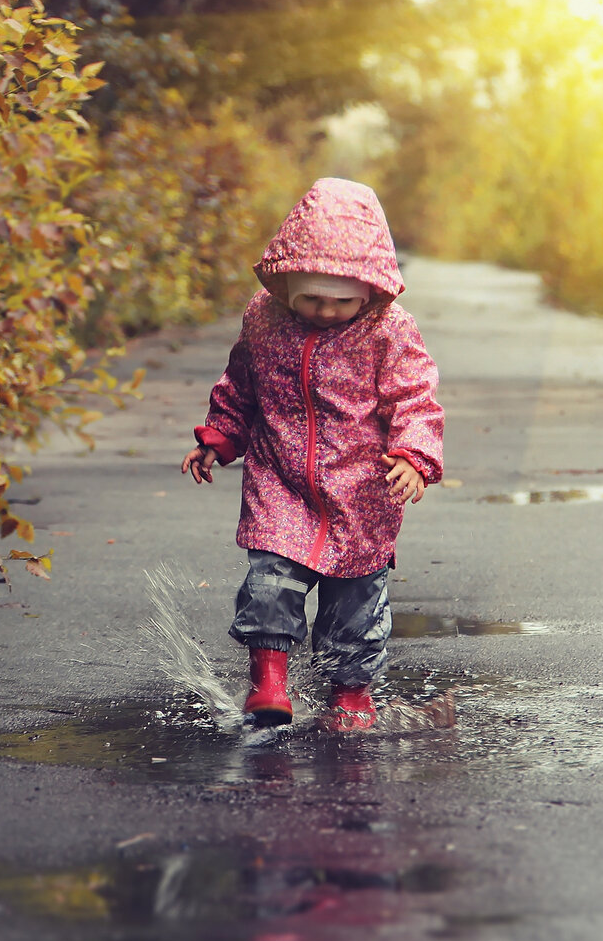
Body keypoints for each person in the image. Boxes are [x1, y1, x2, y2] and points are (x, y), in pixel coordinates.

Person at [182, 177, 444, 731]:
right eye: (312, 299)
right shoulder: (264, 319)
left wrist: (414, 455)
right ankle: (268, 679)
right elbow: (240, 383)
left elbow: (415, 398)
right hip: (280, 480)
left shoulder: (387, 331)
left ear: (370, 291)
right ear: (284, 285)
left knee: (355, 600)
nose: (326, 311)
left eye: (342, 301)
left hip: (360, 490)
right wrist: (220, 436)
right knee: (270, 581)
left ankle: (350, 692)